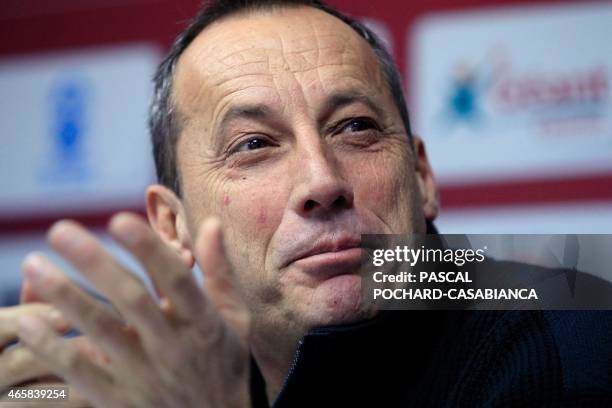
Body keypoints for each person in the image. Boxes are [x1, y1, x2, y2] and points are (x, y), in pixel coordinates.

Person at [1, 0, 611, 406]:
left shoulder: (568, 344)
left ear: (422, 175)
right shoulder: (187, 368)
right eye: (254, 144)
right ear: (172, 224)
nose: (321, 181)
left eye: (354, 128)